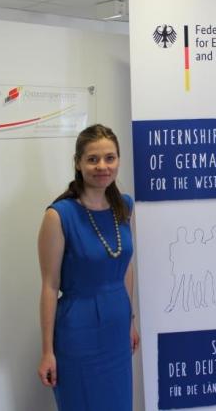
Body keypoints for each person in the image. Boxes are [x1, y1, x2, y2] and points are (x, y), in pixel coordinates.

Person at [37, 124, 139, 411]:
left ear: (118, 160)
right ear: (78, 163)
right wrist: (47, 351)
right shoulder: (59, 215)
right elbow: (49, 286)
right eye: (93, 159)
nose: (102, 166)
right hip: (77, 332)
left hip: (117, 326)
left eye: (110, 158)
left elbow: (125, 266)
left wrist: (130, 321)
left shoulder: (124, 206)